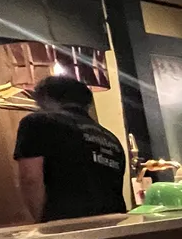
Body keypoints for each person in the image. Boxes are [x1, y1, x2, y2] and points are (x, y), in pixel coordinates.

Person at [13, 75, 127, 221]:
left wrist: (41, 223)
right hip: (113, 226)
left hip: (68, 225)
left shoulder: (37, 122)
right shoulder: (110, 138)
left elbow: (30, 178)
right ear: (87, 104)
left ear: (45, 98)